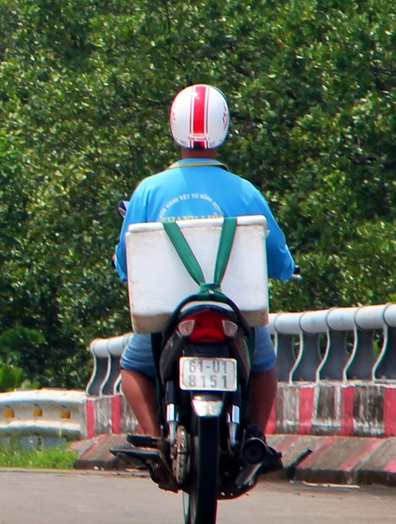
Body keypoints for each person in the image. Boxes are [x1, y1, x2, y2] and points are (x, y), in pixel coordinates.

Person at [116, 84, 295, 450]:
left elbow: (125, 262)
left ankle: (154, 439)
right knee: (263, 368)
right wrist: (286, 269)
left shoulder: (148, 191)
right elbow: (278, 258)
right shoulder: (245, 192)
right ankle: (254, 439)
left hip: (167, 317)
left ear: (174, 126)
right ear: (225, 126)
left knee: (132, 368)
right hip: (233, 311)